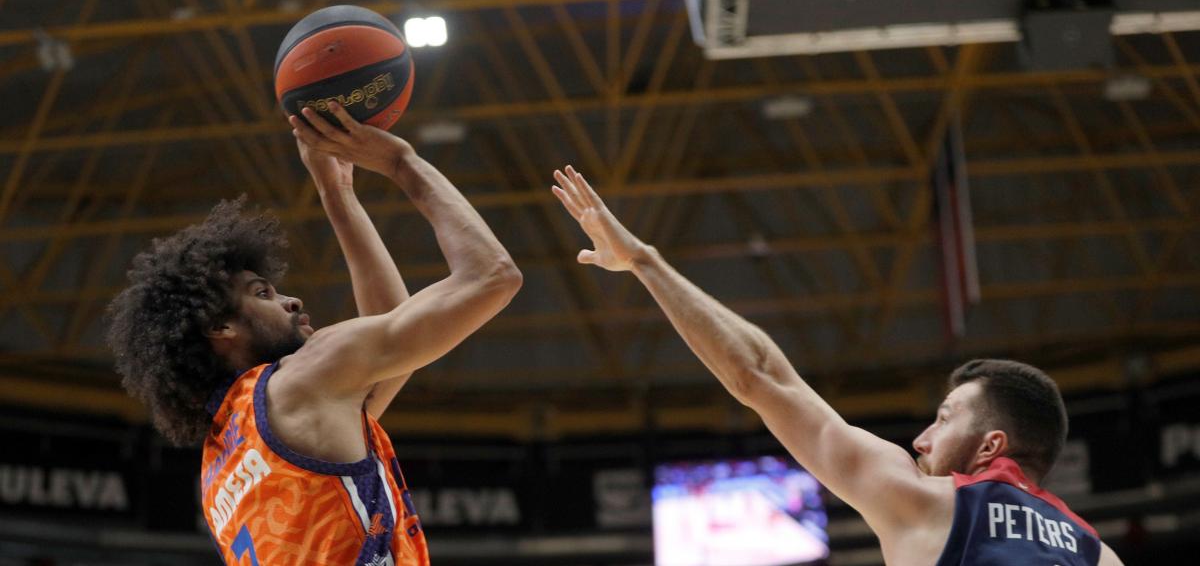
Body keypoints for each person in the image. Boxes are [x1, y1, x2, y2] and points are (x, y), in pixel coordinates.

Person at [551, 166, 1123, 566]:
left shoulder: (924, 501)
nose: (922, 439)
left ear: (990, 446)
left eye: (945, 419)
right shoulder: (1098, 552)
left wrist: (645, 262)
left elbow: (760, 375)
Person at [106, 101, 521, 565]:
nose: (292, 301)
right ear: (220, 327)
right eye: (262, 293)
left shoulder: (222, 462)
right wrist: (399, 162)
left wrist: (337, 192)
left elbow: (389, 333)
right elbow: (492, 276)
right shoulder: (304, 379)